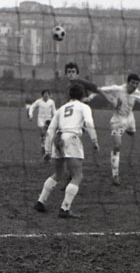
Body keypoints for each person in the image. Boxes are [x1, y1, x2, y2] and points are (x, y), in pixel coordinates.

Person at [33, 83, 100, 218]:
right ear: (83, 95)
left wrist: (47, 150)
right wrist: (94, 141)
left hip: (58, 138)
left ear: (70, 95)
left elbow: (50, 130)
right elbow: (89, 123)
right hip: (71, 138)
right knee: (77, 176)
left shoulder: (61, 109)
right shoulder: (84, 107)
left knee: (58, 173)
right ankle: (65, 208)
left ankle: (40, 201)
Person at [99, 73, 140, 185]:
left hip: (130, 119)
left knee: (132, 133)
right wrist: (92, 97)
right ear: (127, 82)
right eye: (132, 83)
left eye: (136, 84)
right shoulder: (117, 89)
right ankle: (115, 175)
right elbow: (100, 89)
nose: (134, 86)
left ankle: (129, 131)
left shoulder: (136, 93)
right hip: (117, 121)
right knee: (117, 145)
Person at [28, 90, 57, 154]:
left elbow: (54, 110)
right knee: (42, 132)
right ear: (42, 95)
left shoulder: (51, 102)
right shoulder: (39, 101)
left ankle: (46, 146)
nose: (46, 95)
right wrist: (30, 115)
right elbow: (32, 107)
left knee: (48, 133)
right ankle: (43, 145)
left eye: (47, 94)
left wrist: (56, 118)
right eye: (45, 94)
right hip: (40, 119)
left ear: (49, 95)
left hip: (48, 119)